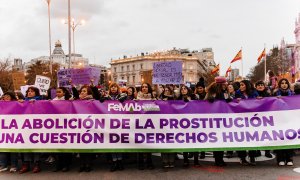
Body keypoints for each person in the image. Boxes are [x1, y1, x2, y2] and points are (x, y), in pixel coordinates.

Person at [100, 82, 127, 172]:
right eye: (112, 87)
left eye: (115, 87)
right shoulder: (106, 97)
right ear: (110, 89)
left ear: (117, 88)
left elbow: (122, 101)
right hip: (109, 123)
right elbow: (100, 102)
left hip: (119, 123)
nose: (113, 88)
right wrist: (103, 97)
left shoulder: (122, 95)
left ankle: (120, 161)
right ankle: (114, 161)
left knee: (118, 142)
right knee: (112, 142)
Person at [204, 77, 228, 167]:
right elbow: (207, 102)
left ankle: (220, 159)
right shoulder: (213, 92)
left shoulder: (225, 92)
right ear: (220, 84)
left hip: (223, 119)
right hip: (214, 120)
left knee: (221, 140)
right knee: (217, 140)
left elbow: (228, 100)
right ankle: (217, 160)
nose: (226, 85)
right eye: (224, 83)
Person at [19, 87, 43, 173]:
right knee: (25, 145)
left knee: (35, 145)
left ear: (36, 93)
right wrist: (20, 103)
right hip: (25, 126)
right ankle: (26, 164)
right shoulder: (24, 101)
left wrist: (36, 103)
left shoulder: (41, 100)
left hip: (36, 126)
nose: (29, 93)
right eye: (28, 91)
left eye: (32, 91)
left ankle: (37, 164)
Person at [235, 80, 259, 166]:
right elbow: (232, 102)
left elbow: (258, 103)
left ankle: (252, 157)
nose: (240, 87)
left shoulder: (254, 93)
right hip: (240, 120)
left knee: (252, 138)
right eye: (240, 85)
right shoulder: (237, 93)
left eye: (242, 85)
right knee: (241, 139)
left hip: (252, 119)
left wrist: (259, 99)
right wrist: (235, 100)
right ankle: (242, 157)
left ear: (247, 86)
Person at [177, 85, 200, 167]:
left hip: (193, 123)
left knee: (195, 142)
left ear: (188, 90)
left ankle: (196, 161)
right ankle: (185, 160)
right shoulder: (179, 99)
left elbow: (198, 107)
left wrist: (190, 102)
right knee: (185, 142)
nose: (183, 90)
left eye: (184, 89)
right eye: (182, 89)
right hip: (183, 123)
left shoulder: (194, 97)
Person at [274, 78, 294, 166]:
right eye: (282, 83)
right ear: (279, 84)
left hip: (289, 119)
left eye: (286, 83)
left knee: (289, 138)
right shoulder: (274, 94)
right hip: (278, 120)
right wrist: (275, 99)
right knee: (280, 139)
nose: (284, 84)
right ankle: (280, 158)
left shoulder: (293, 95)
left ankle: (289, 158)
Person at [52, 87, 72, 172]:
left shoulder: (68, 100)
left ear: (64, 93)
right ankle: (58, 165)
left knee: (65, 147)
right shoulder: (53, 101)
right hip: (57, 126)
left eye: (59, 92)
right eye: (57, 92)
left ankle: (66, 165)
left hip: (66, 126)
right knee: (58, 147)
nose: (58, 94)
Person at [135, 83, 155, 170]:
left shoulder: (153, 98)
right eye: (142, 87)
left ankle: (149, 161)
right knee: (140, 144)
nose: (144, 88)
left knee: (148, 143)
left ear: (149, 88)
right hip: (139, 123)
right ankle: (140, 162)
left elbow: (155, 110)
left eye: (146, 87)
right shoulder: (136, 99)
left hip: (150, 123)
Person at [0, 92, 19, 173]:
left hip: (13, 130)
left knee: (13, 150)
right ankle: (3, 165)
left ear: (12, 97)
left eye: (8, 96)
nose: (6, 98)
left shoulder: (16, 104)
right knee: (2, 149)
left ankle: (14, 166)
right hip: (3, 130)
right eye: (4, 96)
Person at [158, 86, 176, 170]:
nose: (166, 91)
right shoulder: (159, 99)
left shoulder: (174, 99)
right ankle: (165, 161)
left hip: (172, 124)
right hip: (162, 124)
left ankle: (171, 161)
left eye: (168, 90)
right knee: (163, 143)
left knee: (171, 143)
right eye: (165, 90)